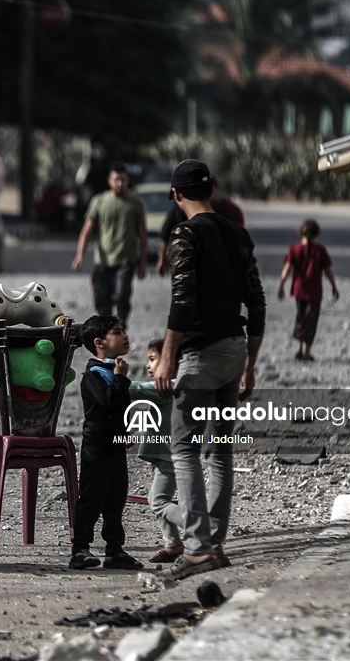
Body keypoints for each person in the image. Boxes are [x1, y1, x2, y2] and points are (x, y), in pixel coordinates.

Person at [153, 159, 266, 582]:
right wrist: (250, 364)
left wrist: (167, 356)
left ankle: (198, 548)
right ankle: (214, 544)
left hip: (200, 357)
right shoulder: (239, 233)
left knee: (184, 450)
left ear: (177, 195)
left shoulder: (185, 234)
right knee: (219, 451)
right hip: (235, 352)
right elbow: (256, 302)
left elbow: (182, 300)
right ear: (213, 190)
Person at [70, 315, 143, 571]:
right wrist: (121, 378)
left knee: (115, 499)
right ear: (100, 342)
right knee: (92, 498)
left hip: (114, 446)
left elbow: (121, 409)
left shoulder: (114, 370)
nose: (124, 336)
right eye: (117, 331)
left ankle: (115, 550)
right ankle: (79, 549)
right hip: (96, 447)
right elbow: (110, 402)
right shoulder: (94, 373)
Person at [71, 162, 148, 329]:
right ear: (109, 180)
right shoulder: (99, 201)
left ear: (127, 180)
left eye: (123, 180)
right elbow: (87, 230)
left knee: (122, 295)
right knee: (101, 298)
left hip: (126, 261)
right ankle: (107, 328)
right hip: (103, 260)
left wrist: (142, 263)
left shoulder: (135, 203)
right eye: (116, 180)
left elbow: (142, 235)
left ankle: (121, 323)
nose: (120, 184)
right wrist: (80, 255)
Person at [128, 339, 184, 564]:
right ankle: (173, 545)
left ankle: (199, 528)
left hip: (170, 459)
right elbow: (160, 425)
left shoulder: (165, 386)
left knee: (159, 502)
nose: (149, 366)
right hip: (172, 456)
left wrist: (111, 374)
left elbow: (134, 389)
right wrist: (135, 437)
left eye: (152, 360)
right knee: (156, 499)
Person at [277, 219, 339, 361]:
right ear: (317, 234)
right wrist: (334, 286)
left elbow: (286, 269)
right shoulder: (320, 251)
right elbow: (328, 271)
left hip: (299, 290)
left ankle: (298, 348)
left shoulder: (294, 249)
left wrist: (281, 285)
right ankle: (307, 351)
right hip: (314, 292)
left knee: (301, 317)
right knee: (311, 320)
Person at [156, 193, 244, 276]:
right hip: (219, 263)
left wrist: (162, 260)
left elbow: (165, 236)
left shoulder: (180, 207)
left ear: (177, 194)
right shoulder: (219, 206)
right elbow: (234, 235)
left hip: (189, 264)